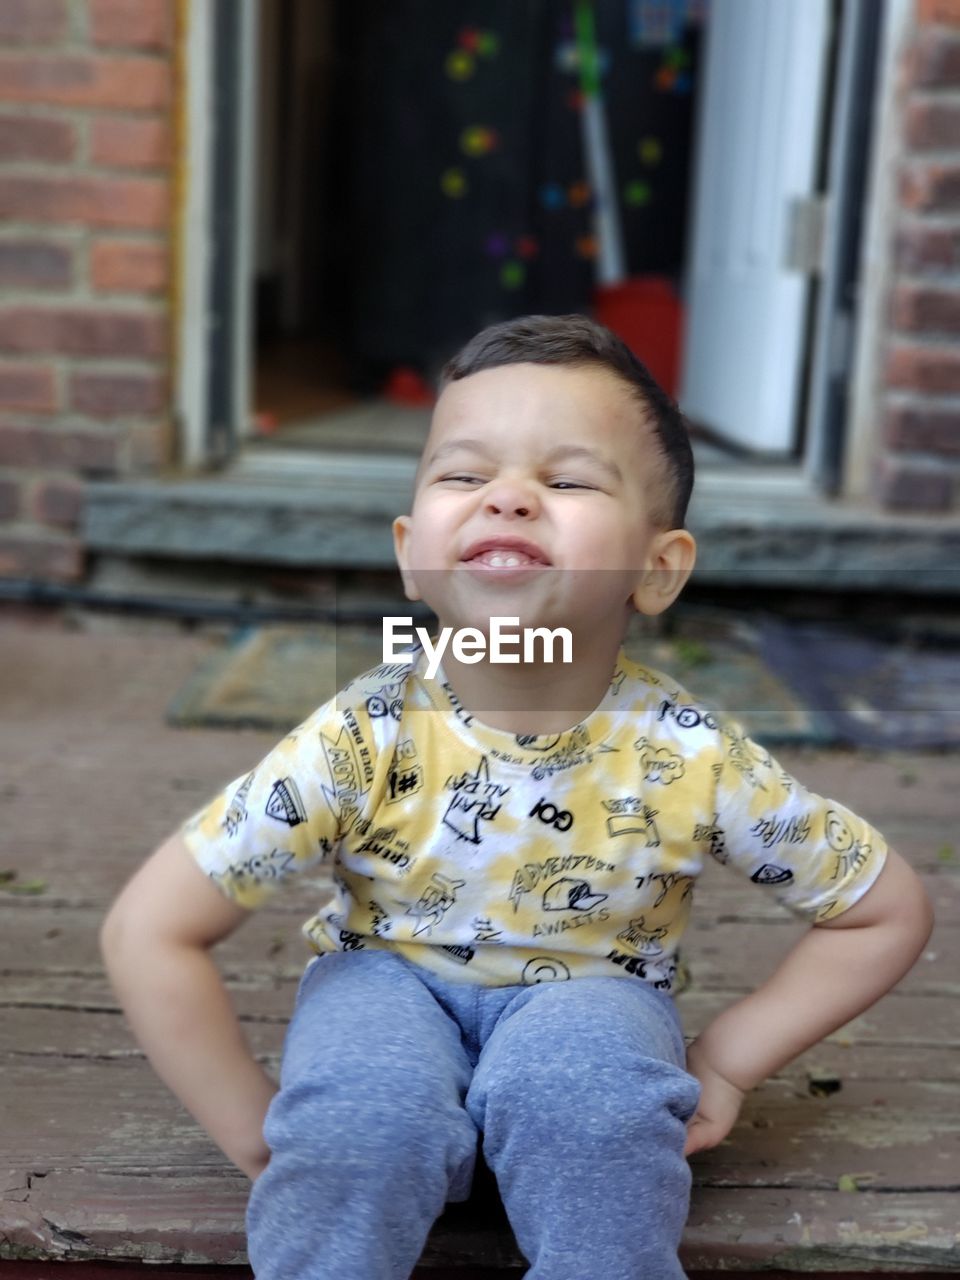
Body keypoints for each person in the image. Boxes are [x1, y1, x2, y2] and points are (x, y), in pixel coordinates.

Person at [100, 315, 934, 1280]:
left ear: (658, 570)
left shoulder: (692, 757)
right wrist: (257, 1131)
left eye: (568, 479)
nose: (509, 498)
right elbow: (150, 930)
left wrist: (734, 1057)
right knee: (359, 1113)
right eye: (465, 475)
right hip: (385, 984)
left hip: (591, 995)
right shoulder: (359, 738)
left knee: (595, 1102)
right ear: (414, 556)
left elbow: (883, 909)